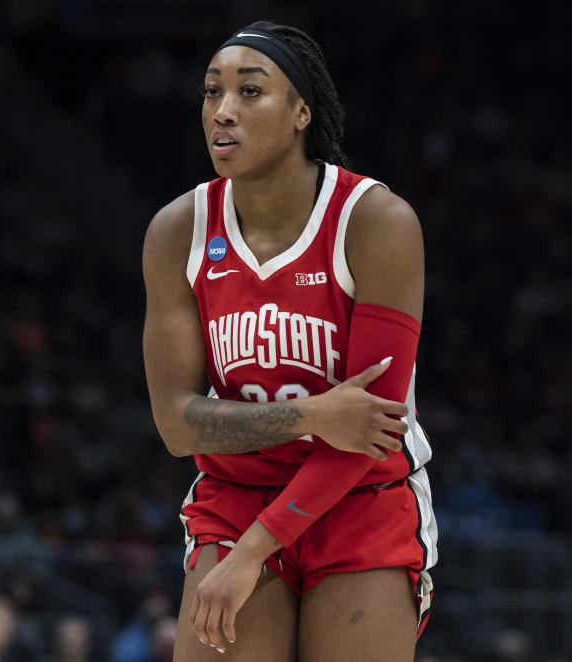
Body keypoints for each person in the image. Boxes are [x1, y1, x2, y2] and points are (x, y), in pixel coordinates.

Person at [142, 20, 437, 662]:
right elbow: (176, 424)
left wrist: (255, 550)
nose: (222, 111)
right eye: (211, 91)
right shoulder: (177, 232)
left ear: (302, 111)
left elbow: (368, 431)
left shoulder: (377, 222)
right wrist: (309, 415)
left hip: (362, 494)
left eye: (250, 92)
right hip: (235, 494)